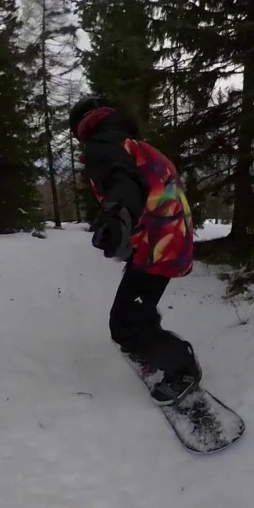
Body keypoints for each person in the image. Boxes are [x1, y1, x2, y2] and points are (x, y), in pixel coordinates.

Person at [68, 95, 201, 405]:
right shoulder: (134, 144)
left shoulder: (103, 146)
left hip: (158, 244)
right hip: (165, 238)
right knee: (136, 311)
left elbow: (123, 182)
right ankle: (149, 332)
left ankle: (182, 368)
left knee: (124, 326)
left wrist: (116, 216)